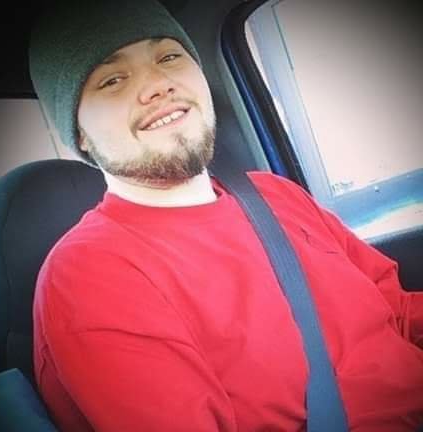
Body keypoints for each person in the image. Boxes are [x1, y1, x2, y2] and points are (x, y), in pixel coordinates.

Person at [29, 1, 423, 431]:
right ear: (80, 134)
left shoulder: (275, 194)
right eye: (113, 80)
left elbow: (399, 313)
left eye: (169, 56)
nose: (158, 85)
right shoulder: (89, 276)